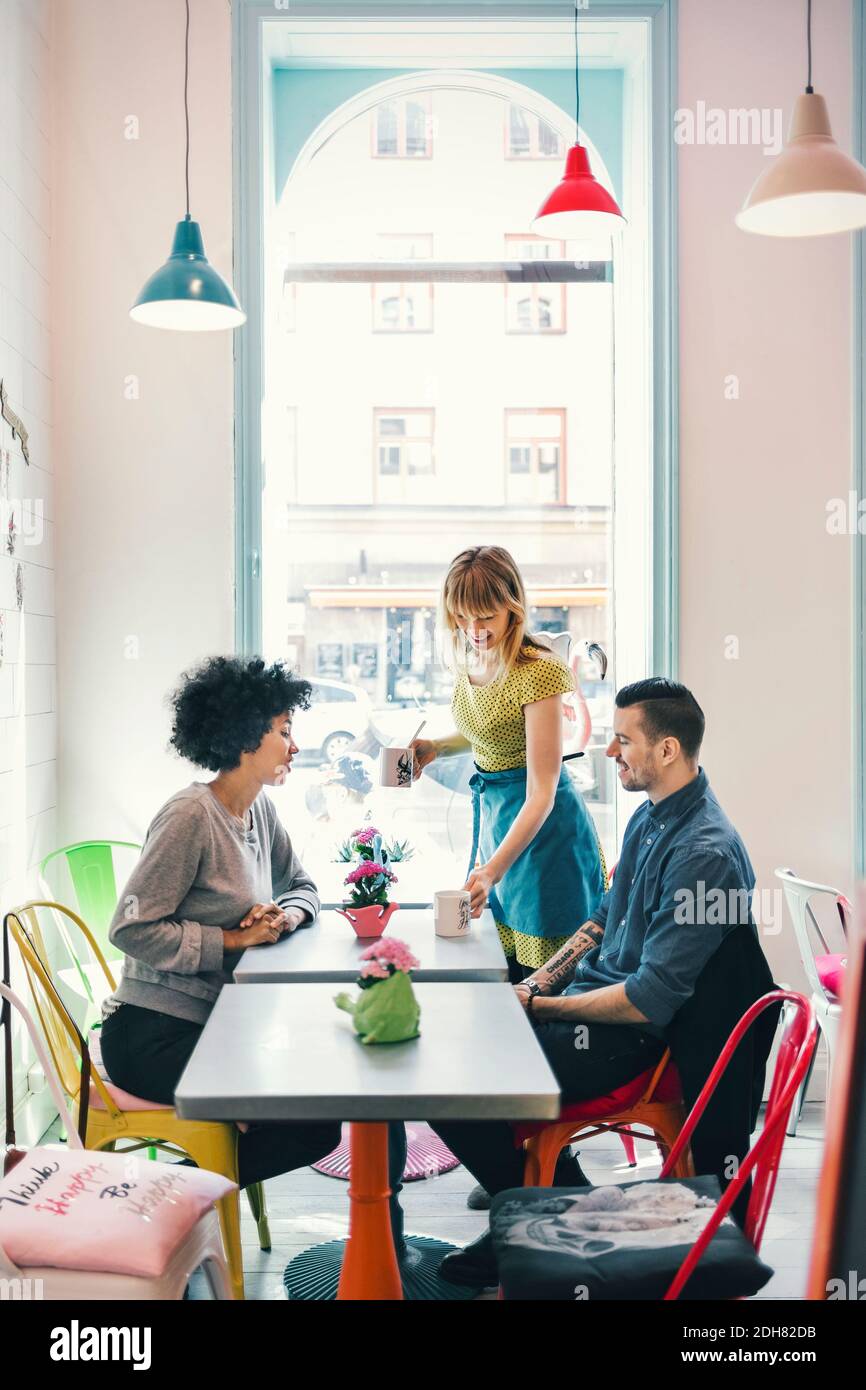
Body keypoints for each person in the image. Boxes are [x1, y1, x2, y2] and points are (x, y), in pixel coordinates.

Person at [431, 677, 770, 1288]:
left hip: (633, 1038)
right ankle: (539, 1204)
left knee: (450, 1086)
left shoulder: (705, 855)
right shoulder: (651, 818)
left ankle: (534, 1215)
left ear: (666, 750)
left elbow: (646, 1002)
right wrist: (535, 986)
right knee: (452, 1056)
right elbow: (601, 918)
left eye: (622, 740)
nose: (609, 752)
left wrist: (545, 1010)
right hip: (595, 1012)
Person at [98, 656, 342, 1191]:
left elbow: (304, 888)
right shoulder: (190, 816)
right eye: (285, 731)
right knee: (316, 1122)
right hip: (152, 1036)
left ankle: (168, 1199)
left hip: (213, 1026)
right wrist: (234, 938)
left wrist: (283, 915)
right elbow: (130, 928)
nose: (295, 746)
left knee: (321, 1111)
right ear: (245, 738)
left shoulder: (259, 811)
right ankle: (160, 1203)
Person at [411, 546, 606, 982]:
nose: (472, 629)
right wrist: (436, 748)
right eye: (461, 617)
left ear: (512, 608)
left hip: (546, 835)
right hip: (502, 827)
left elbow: (543, 791)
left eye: (485, 617)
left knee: (547, 981)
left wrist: (491, 871)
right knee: (508, 967)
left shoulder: (538, 671)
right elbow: (495, 730)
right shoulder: (472, 657)